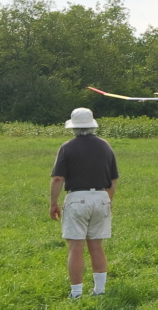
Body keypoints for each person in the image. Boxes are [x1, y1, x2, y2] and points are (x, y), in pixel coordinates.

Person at [50, 107, 119, 299]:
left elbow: (57, 179)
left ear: (74, 127)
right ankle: (100, 290)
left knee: (75, 247)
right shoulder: (106, 146)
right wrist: (108, 199)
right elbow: (113, 180)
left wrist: (53, 203)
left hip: (77, 199)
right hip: (101, 198)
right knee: (97, 246)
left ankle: (76, 292)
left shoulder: (67, 147)